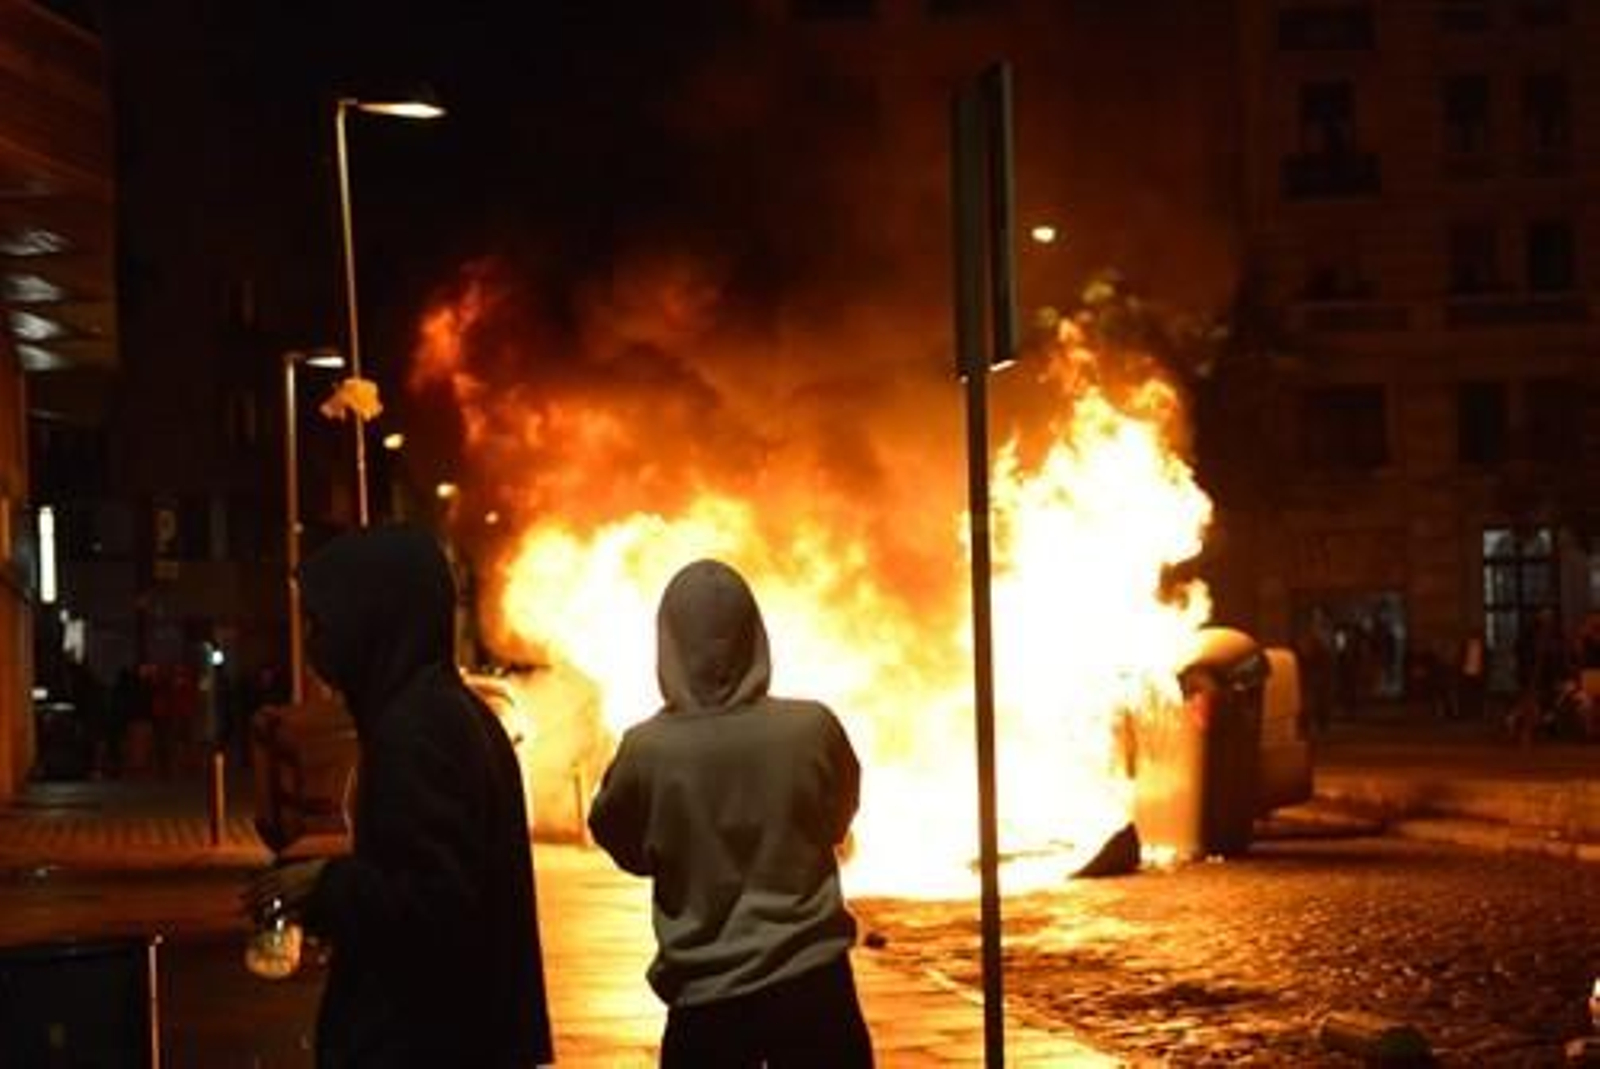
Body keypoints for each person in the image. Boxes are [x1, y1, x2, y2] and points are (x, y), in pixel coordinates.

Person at [244, 525, 554, 1068]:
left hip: (432, 1045)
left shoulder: (419, 729)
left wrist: (325, 888)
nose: (314, 643)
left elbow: (437, 909)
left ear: (374, 621)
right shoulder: (442, 712)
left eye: (324, 623)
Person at [588, 558, 874, 1069]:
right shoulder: (812, 728)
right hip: (814, 989)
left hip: (706, 999)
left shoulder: (645, 750)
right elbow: (838, 818)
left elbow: (622, 842)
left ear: (669, 644)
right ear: (755, 634)